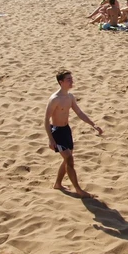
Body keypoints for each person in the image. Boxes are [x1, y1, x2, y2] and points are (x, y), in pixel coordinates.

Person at [44, 69, 102, 197]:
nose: (72, 81)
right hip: (57, 132)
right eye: (68, 79)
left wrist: (93, 124)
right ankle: (78, 189)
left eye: (71, 78)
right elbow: (46, 119)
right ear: (61, 82)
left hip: (66, 131)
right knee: (69, 159)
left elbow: (79, 113)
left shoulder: (69, 97)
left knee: (67, 160)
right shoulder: (55, 99)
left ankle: (58, 184)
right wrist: (50, 139)